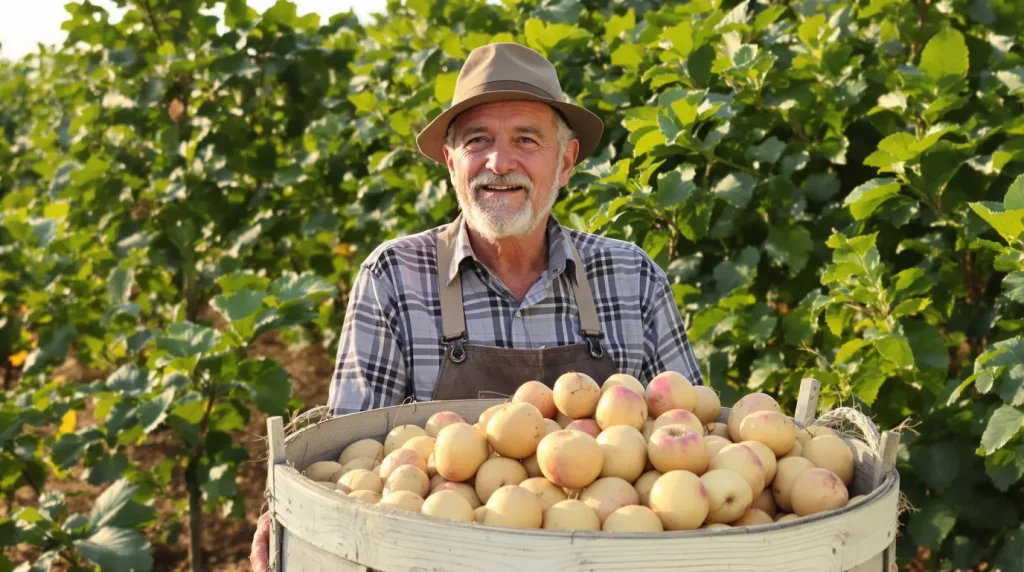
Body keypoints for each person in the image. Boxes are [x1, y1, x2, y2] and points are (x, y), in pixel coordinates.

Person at [249, 42, 703, 571]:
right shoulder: (395, 277)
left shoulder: (631, 278)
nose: (499, 162)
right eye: (477, 141)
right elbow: (358, 460)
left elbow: (692, 448)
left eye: (525, 140)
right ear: (451, 162)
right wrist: (300, 516)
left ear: (566, 162)